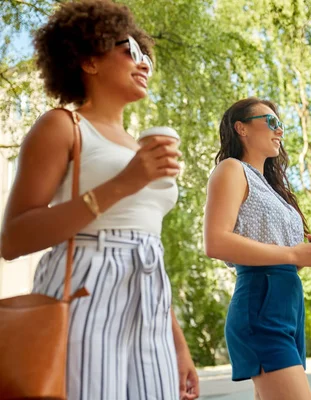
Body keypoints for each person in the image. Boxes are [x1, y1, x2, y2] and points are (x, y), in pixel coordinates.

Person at [0, 1, 199, 398]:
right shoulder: (62, 126)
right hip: (85, 283)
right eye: (130, 51)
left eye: (147, 57)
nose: (144, 64)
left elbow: (147, 248)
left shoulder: (137, 143)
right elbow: (13, 239)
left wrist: (178, 345)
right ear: (89, 60)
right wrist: (125, 182)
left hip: (149, 295)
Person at [203, 97, 311, 400]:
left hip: (288, 305)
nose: (280, 130)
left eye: (281, 124)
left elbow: (283, 255)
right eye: (271, 122)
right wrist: (293, 254)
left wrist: (309, 253)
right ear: (242, 128)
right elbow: (215, 241)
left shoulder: (273, 189)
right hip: (261, 302)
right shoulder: (231, 169)